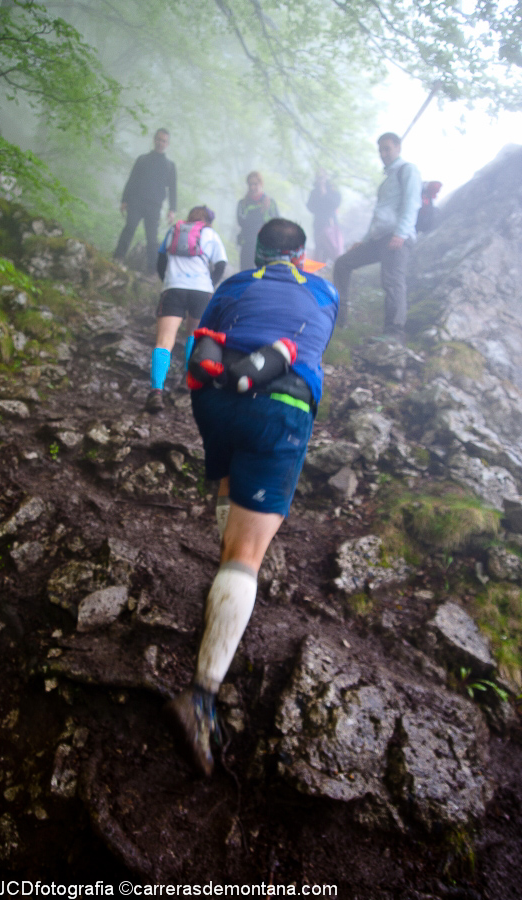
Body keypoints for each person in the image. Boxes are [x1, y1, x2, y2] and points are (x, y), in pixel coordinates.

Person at [165, 218, 339, 776]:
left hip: (215, 402)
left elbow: (205, 338)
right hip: (280, 405)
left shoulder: (236, 283)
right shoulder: (324, 291)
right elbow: (314, 339)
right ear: (301, 255)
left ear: (258, 252)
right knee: (247, 554)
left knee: (229, 476)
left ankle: (225, 583)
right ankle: (199, 698)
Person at [332, 132, 421, 343]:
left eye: (387, 149)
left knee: (392, 281)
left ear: (398, 147)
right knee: (343, 263)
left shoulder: (408, 170)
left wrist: (401, 233)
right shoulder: (388, 179)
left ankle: (394, 332)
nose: (383, 154)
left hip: (397, 236)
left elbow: (412, 203)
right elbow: (380, 214)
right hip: (379, 238)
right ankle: (339, 319)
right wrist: (365, 240)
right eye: (380, 150)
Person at [146, 205, 228, 412]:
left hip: (174, 288)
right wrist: (210, 283)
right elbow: (221, 264)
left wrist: (167, 280)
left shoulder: (174, 231)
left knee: (164, 340)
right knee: (195, 334)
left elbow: (161, 259)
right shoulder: (211, 235)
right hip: (201, 290)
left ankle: (156, 391)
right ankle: (187, 378)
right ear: (208, 221)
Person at [113, 128, 177, 275]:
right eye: (159, 139)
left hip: (154, 206)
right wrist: (124, 200)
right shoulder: (142, 159)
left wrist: (172, 209)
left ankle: (151, 270)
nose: (160, 143)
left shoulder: (169, 166)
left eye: (164, 141)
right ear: (154, 140)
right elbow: (132, 180)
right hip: (136, 201)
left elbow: (173, 189)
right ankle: (118, 257)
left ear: (167, 144)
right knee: (129, 228)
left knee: (152, 239)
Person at [236, 172, 279, 270]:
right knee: (246, 273)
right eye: (250, 184)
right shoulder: (242, 203)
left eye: (255, 184)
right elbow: (242, 222)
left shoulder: (271, 203)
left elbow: (276, 224)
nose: (252, 187)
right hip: (247, 245)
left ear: (261, 184)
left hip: (266, 247)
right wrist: (261, 212)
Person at [307, 168, 342, 263]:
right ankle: (317, 266)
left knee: (331, 248)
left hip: (330, 224)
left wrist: (324, 193)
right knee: (318, 249)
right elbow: (310, 207)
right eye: (318, 177)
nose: (320, 179)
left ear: (326, 177)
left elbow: (335, 203)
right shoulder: (314, 192)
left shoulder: (333, 190)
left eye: (322, 176)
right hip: (318, 225)